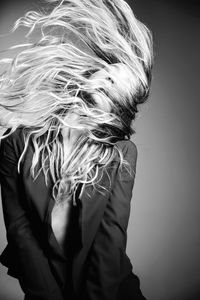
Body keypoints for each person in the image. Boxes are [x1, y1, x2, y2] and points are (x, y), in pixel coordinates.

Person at [0, 0, 153, 299]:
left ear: (113, 104)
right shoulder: (16, 144)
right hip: (45, 289)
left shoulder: (121, 154)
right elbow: (20, 232)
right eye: (110, 70)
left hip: (110, 291)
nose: (105, 74)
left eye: (112, 82)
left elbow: (111, 240)